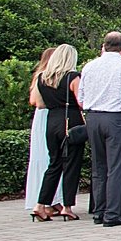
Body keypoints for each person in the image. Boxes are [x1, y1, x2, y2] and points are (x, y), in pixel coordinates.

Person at [77, 31, 121, 227]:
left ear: (103, 46)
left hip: (93, 117)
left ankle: (99, 211)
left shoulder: (89, 67)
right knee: (116, 166)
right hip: (116, 118)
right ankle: (113, 213)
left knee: (99, 166)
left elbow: (81, 97)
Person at [31, 43, 84, 221]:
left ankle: (40, 204)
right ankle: (67, 206)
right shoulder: (73, 77)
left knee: (54, 164)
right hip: (70, 122)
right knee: (72, 164)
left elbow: (41, 103)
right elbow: (82, 101)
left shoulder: (42, 78)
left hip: (51, 121)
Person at [24, 47, 56, 212]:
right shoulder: (41, 77)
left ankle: (54, 198)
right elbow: (34, 101)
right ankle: (45, 201)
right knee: (46, 157)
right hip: (45, 115)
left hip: (46, 116)